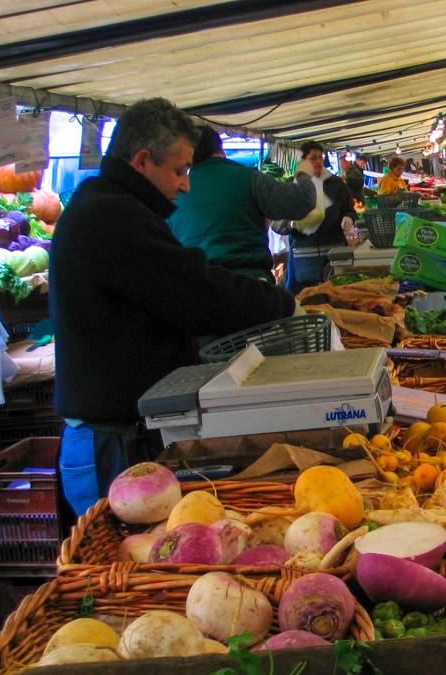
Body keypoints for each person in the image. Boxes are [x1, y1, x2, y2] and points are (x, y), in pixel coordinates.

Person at [50, 98, 296, 516]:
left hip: (119, 432)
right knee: (112, 570)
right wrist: (282, 302)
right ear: (143, 161)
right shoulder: (110, 215)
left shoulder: (111, 205)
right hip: (108, 440)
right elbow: (193, 291)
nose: (186, 184)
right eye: (180, 170)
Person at [168, 126, 316, 283]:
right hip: (250, 284)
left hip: (199, 290)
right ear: (221, 149)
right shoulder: (249, 179)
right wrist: (304, 173)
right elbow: (302, 201)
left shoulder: (175, 194)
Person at [284, 140, 356, 293]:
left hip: (334, 251)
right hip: (304, 255)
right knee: (306, 296)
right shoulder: (292, 186)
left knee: (336, 293)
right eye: (313, 158)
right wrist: (291, 224)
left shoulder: (335, 183)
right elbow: (278, 222)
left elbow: (349, 209)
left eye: (320, 157)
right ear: (303, 161)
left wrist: (348, 218)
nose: (318, 161)